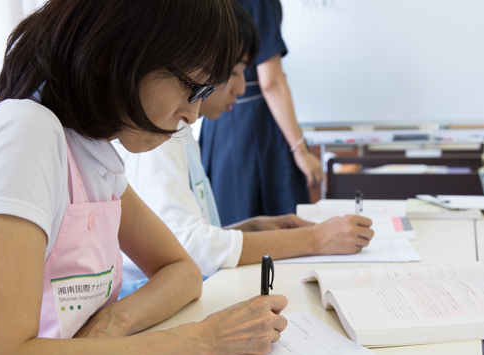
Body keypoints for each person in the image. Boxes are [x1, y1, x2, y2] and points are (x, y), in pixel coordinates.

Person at [0, 0, 289, 355]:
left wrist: (111, 326)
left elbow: (179, 269)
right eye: (191, 87)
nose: (192, 115)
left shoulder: (91, 152)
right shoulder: (23, 134)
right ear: (119, 51)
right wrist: (202, 341)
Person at [117, 0, 374, 282]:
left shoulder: (182, 132)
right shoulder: (160, 136)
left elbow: (183, 237)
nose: (240, 88)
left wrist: (253, 227)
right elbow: (192, 247)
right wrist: (316, 239)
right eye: (233, 72)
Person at [199, 0, 323, 226]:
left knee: (228, 221)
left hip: (218, 122)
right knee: (278, 225)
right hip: (254, 125)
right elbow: (271, 83)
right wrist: (300, 149)